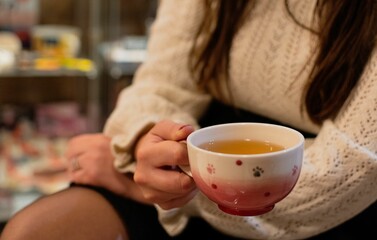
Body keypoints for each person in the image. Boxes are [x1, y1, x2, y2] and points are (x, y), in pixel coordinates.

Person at [2, 0, 377, 239]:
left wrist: (135, 181)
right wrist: (149, 146)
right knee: (35, 231)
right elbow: (160, 85)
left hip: (325, 202)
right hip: (200, 155)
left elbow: (347, 170)